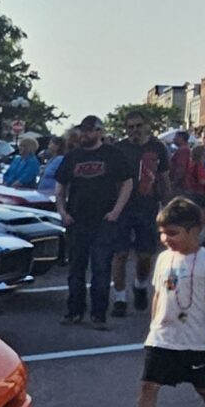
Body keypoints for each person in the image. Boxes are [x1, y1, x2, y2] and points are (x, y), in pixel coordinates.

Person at [109, 197, 205, 407]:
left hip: (197, 339)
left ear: (194, 231)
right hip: (163, 337)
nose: (166, 239)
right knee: (148, 384)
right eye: (163, 233)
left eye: (173, 233)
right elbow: (158, 294)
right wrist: (153, 327)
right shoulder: (164, 259)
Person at [53, 116, 134, 328]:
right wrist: (62, 211)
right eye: (83, 130)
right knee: (76, 269)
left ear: (99, 132)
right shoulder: (72, 156)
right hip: (76, 220)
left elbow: (127, 183)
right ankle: (74, 311)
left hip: (103, 221)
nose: (85, 134)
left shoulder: (112, 155)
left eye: (89, 130)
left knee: (101, 268)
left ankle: (99, 315)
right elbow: (60, 186)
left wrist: (116, 211)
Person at [112, 113, 171, 315]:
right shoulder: (119, 148)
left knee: (145, 255)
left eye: (138, 126)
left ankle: (140, 285)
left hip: (148, 207)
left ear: (146, 126)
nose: (134, 130)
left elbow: (164, 177)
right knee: (120, 253)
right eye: (130, 127)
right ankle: (120, 298)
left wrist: (168, 204)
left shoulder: (157, 148)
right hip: (123, 207)